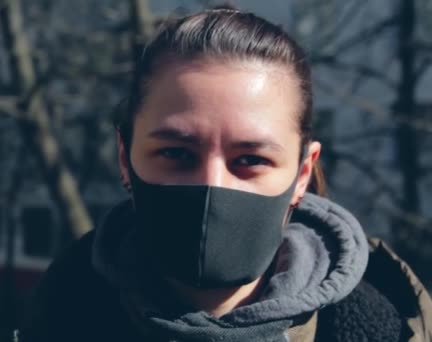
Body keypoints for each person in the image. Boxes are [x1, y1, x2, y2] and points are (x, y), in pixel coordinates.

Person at [22, 4, 432, 341]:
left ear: (302, 172)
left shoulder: (391, 328)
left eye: (250, 159)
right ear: (125, 156)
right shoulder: (57, 318)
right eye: (176, 153)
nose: (212, 187)